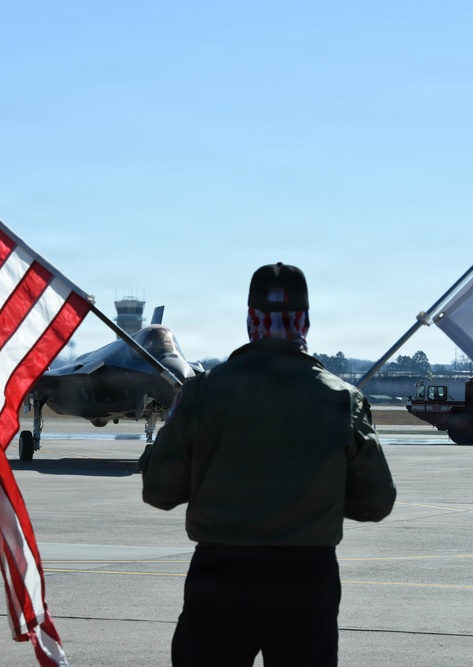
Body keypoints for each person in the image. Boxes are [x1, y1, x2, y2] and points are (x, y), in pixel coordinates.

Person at [140, 262, 397, 667]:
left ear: (249, 321)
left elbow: (158, 492)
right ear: (306, 323)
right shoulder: (342, 398)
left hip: (221, 579)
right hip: (307, 580)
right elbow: (376, 502)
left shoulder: (202, 392)